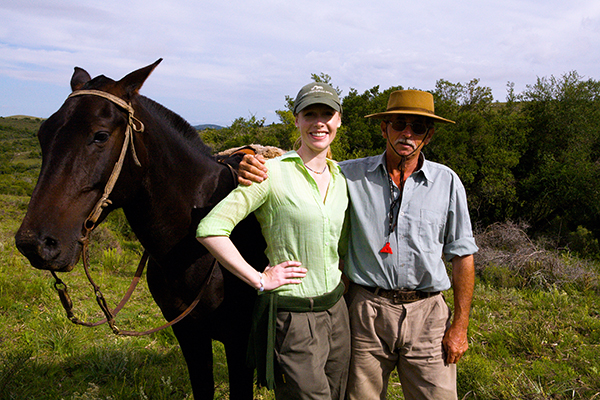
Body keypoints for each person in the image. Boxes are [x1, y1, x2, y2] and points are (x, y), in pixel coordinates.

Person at [238, 89, 478, 400]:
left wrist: (460, 326)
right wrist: (253, 163)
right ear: (384, 128)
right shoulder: (349, 174)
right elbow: (303, 165)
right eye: (399, 124)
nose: (408, 133)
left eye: (418, 127)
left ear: (428, 136)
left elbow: (463, 255)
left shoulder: (446, 182)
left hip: (428, 315)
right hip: (367, 312)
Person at [197, 82, 350, 400]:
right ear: (297, 120)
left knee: (337, 394)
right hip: (294, 317)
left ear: (338, 120)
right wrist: (259, 278)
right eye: (310, 114)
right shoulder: (271, 173)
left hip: (338, 312)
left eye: (327, 113)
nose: (319, 122)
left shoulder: (342, 178)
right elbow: (211, 228)